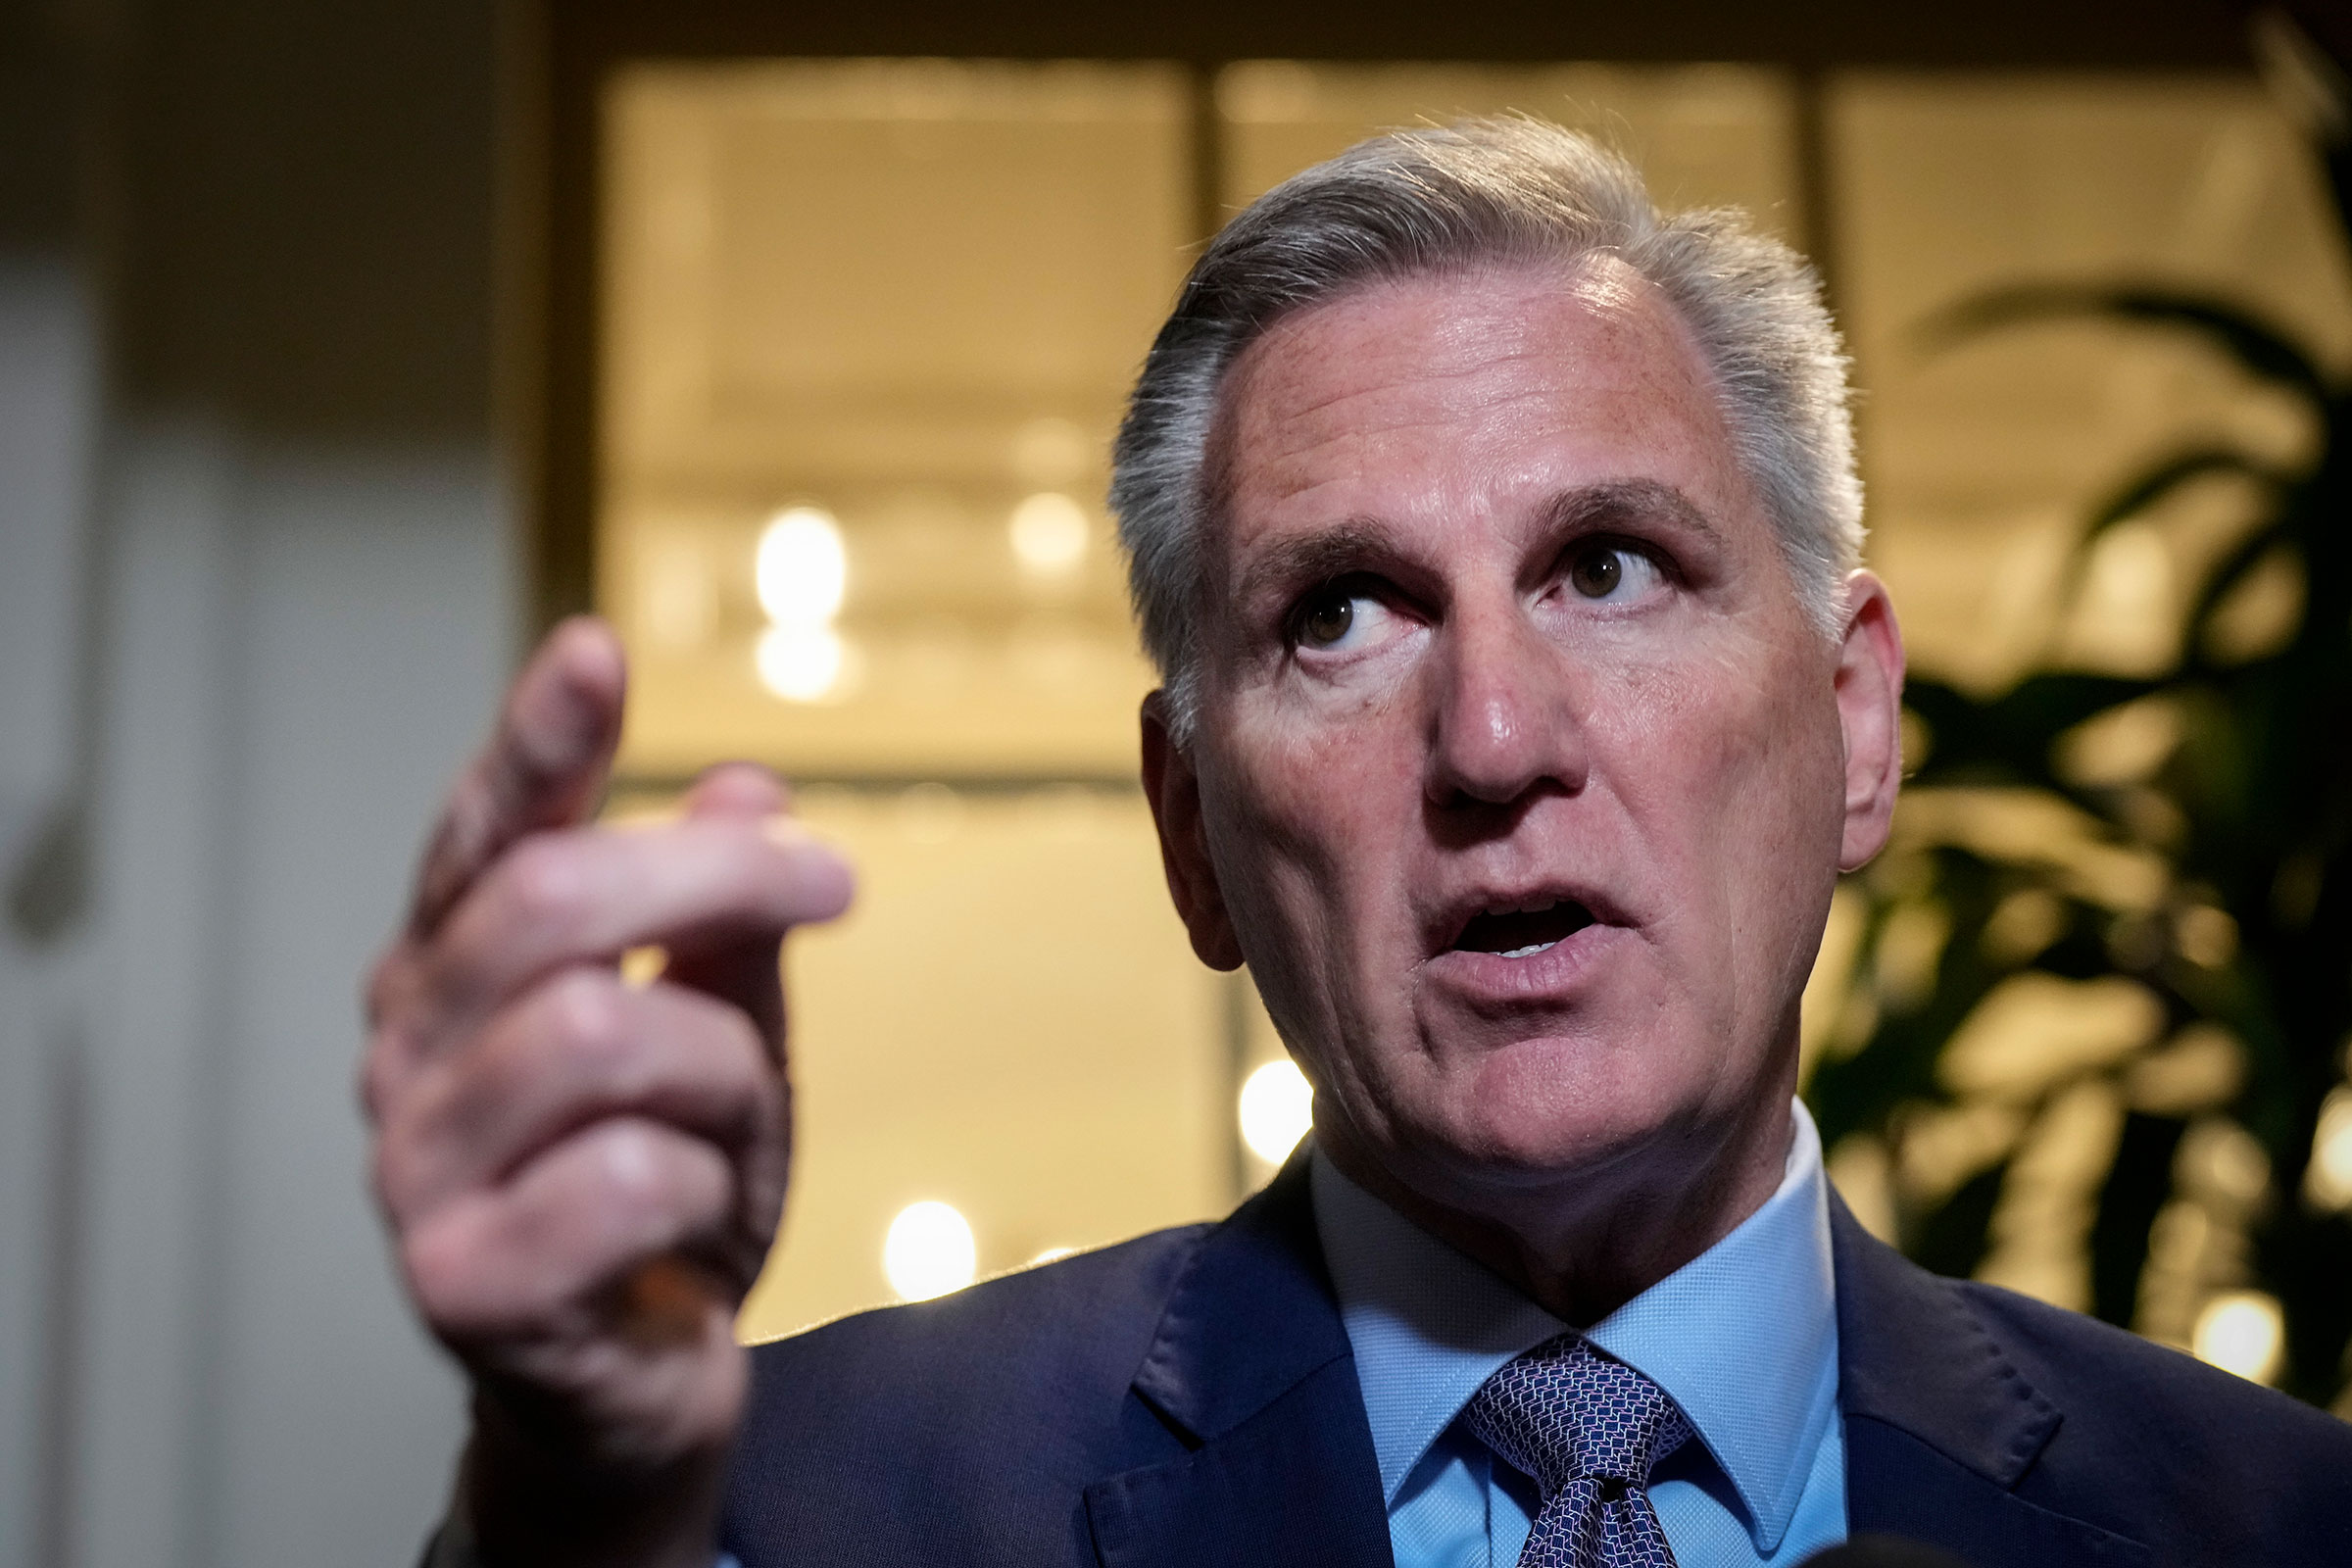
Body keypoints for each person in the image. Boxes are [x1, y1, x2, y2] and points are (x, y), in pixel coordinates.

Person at [364, 121, 2352, 1568]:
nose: (1492, 738)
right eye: (1338, 614)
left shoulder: (2274, 1523)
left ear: (1852, 727)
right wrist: (582, 1493)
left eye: (1607, 565)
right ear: (1194, 835)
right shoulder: (795, 1505)